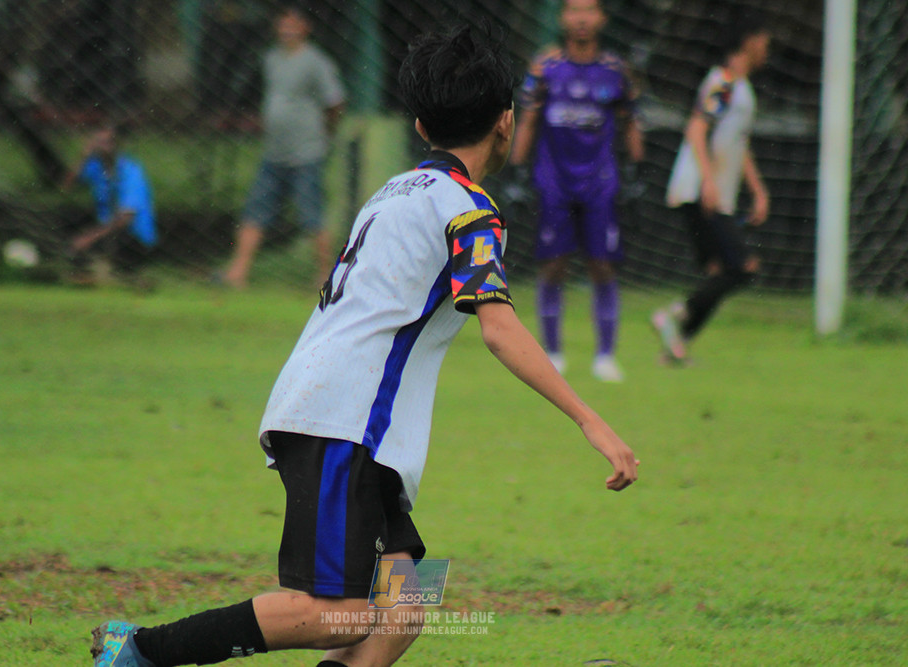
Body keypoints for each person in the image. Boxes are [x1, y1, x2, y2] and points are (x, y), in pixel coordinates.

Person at [90, 23, 638, 667]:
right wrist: (590, 420)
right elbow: (499, 326)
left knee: (409, 595)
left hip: (339, 413)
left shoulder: (393, 192)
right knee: (330, 617)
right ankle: (140, 651)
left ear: (419, 124)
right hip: (344, 420)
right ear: (506, 122)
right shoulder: (470, 210)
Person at [509, 0, 644, 383]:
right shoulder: (545, 67)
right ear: (562, 18)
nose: (581, 18)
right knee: (553, 264)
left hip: (600, 183)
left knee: (602, 264)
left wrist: (636, 173)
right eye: (573, 9)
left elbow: (632, 122)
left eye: (589, 9)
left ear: (602, 17)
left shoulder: (617, 71)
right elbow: (529, 120)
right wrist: (517, 175)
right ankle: (552, 352)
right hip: (554, 181)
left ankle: (605, 355)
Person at [653, 14, 771, 363]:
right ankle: (674, 315)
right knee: (743, 267)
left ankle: (675, 347)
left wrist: (758, 190)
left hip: (713, 192)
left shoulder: (742, 87)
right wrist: (708, 181)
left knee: (720, 271)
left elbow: (738, 144)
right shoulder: (724, 84)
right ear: (749, 41)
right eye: (765, 42)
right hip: (699, 191)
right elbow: (696, 129)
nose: (767, 50)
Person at [222, 5, 345, 289]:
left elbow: (335, 102)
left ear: (306, 28)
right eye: (283, 23)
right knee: (256, 210)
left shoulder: (316, 61)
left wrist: (325, 135)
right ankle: (237, 272)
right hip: (274, 151)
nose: (287, 28)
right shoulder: (271, 58)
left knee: (312, 214)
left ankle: (325, 275)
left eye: (294, 23)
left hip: (306, 152)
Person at [63, 121, 158, 281]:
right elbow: (67, 186)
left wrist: (89, 237)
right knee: (69, 216)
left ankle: (116, 273)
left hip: (133, 236)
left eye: (107, 142)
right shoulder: (96, 167)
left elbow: (126, 218)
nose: (102, 147)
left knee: (113, 235)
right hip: (106, 228)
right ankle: (85, 271)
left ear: (116, 144)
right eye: (97, 142)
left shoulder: (131, 171)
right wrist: (83, 156)